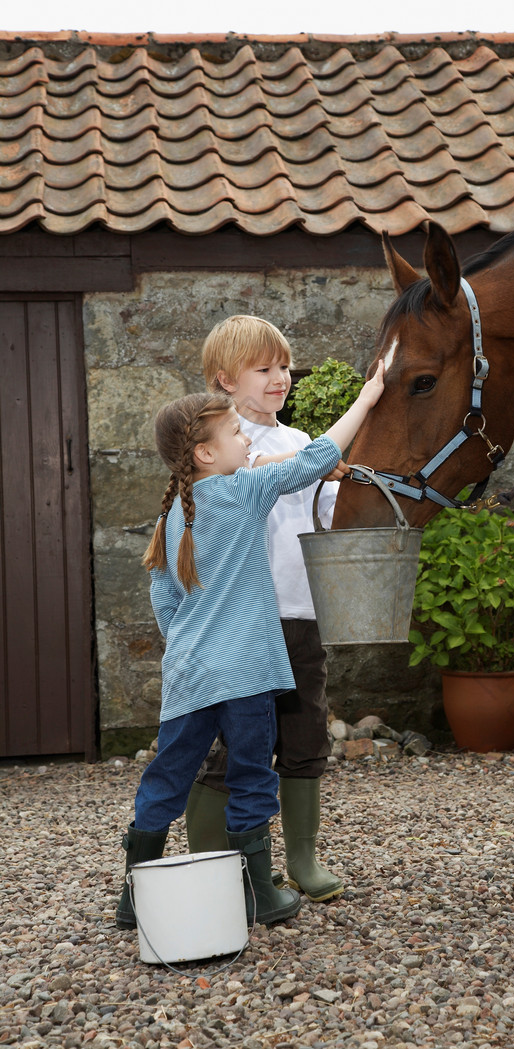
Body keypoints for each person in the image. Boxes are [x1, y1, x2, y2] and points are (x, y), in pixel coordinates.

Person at [115, 359, 384, 930]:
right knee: (252, 776)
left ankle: (134, 896)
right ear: (207, 454)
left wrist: (193, 648)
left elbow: (165, 602)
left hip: (189, 677)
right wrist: (367, 398)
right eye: (237, 432)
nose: (246, 439)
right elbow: (318, 458)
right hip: (248, 674)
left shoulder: (171, 517)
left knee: (167, 775)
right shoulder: (241, 492)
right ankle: (260, 891)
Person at [184, 315, 347, 902]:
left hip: (301, 613)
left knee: (305, 734)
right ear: (224, 380)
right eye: (264, 369)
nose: (280, 378)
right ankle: (211, 858)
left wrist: (339, 484)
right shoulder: (219, 450)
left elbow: (323, 520)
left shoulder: (302, 443)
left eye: (284, 367)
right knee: (238, 743)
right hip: (246, 624)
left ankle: (302, 857)